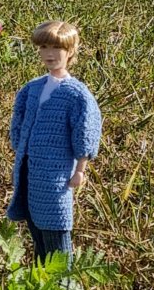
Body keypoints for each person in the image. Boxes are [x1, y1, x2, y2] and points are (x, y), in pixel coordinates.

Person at [6, 20, 102, 268]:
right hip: (28, 171)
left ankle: (62, 281)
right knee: (35, 226)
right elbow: (19, 119)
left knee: (56, 225)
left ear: (70, 51)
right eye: (44, 47)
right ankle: (40, 278)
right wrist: (20, 147)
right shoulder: (32, 88)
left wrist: (80, 170)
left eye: (56, 48)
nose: (49, 54)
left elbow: (85, 130)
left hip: (56, 176)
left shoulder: (76, 94)